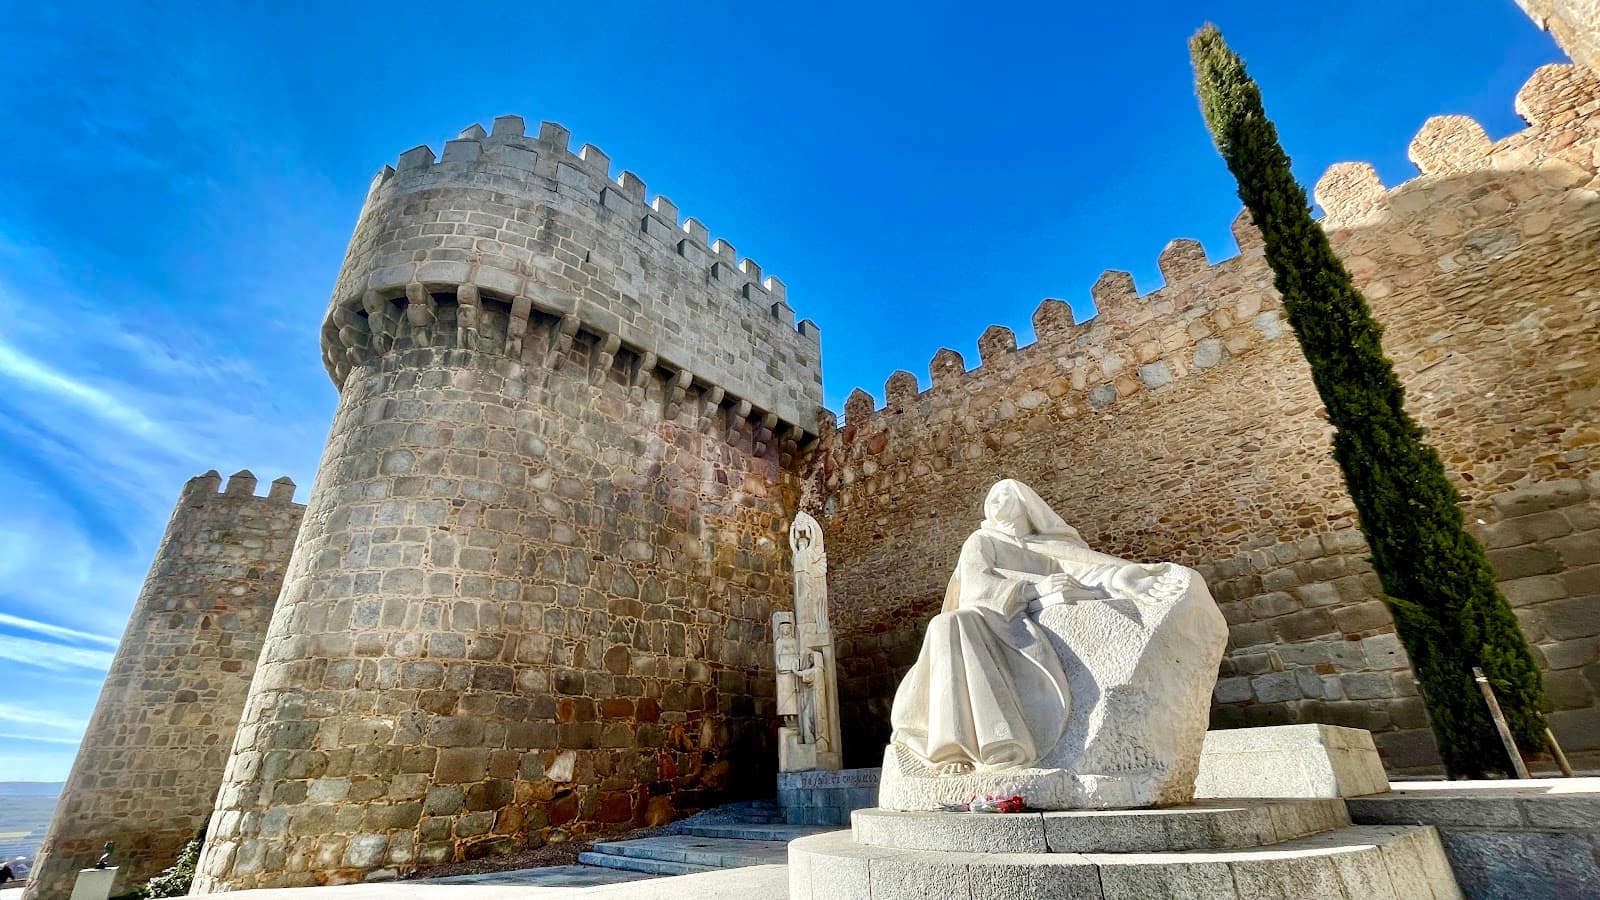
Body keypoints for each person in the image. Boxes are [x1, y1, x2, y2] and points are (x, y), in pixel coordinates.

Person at [888, 479, 1190, 775]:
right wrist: (1033, 589)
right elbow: (976, 586)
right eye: (990, 497)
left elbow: (1084, 570)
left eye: (1004, 494)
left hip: (1020, 629)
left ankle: (1003, 746)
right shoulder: (981, 541)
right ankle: (954, 748)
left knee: (954, 625)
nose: (994, 501)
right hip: (984, 620)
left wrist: (1118, 579)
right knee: (948, 623)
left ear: (1025, 503)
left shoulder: (1048, 548)